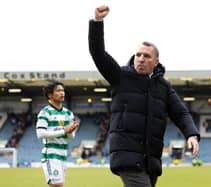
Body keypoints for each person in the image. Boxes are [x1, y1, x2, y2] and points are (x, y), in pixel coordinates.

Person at [88, 5, 200, 187]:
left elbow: (181, 113)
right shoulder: (120, 76)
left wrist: (192, 135)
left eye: (146, 56)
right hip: (127, 156)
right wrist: (97, 22)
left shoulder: (163, 86)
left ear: (156, 62)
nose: (140, 58)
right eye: (138, 54)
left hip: (150, 159)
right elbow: (98, 54)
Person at [36, 81, 79, 187]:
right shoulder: (45, 112)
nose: (62, 93)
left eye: (63, 90)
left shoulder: (68, 113)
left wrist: (71, 131)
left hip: (63, 154)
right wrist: (64, 130)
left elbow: (70, 137)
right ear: (50, 95)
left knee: (56, 185)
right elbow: (40, 134)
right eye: (58, 90)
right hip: (51, 153)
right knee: (58, 185)